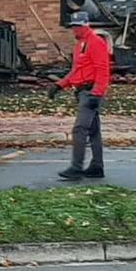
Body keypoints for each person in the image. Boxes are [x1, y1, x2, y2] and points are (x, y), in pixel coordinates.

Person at [49, 11, 111, 180]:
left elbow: (102, 70)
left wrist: (97, 93)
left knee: (79, 129)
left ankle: (76, 167)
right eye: (73, 27)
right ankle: (97, 166)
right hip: (82, 91)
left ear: (85, 25)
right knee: (94, 131)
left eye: (77, 27)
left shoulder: (96, 43)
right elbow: (76, 71)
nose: (74, 30)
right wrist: (59, 85)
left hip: (91, 92)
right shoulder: (80, 45)